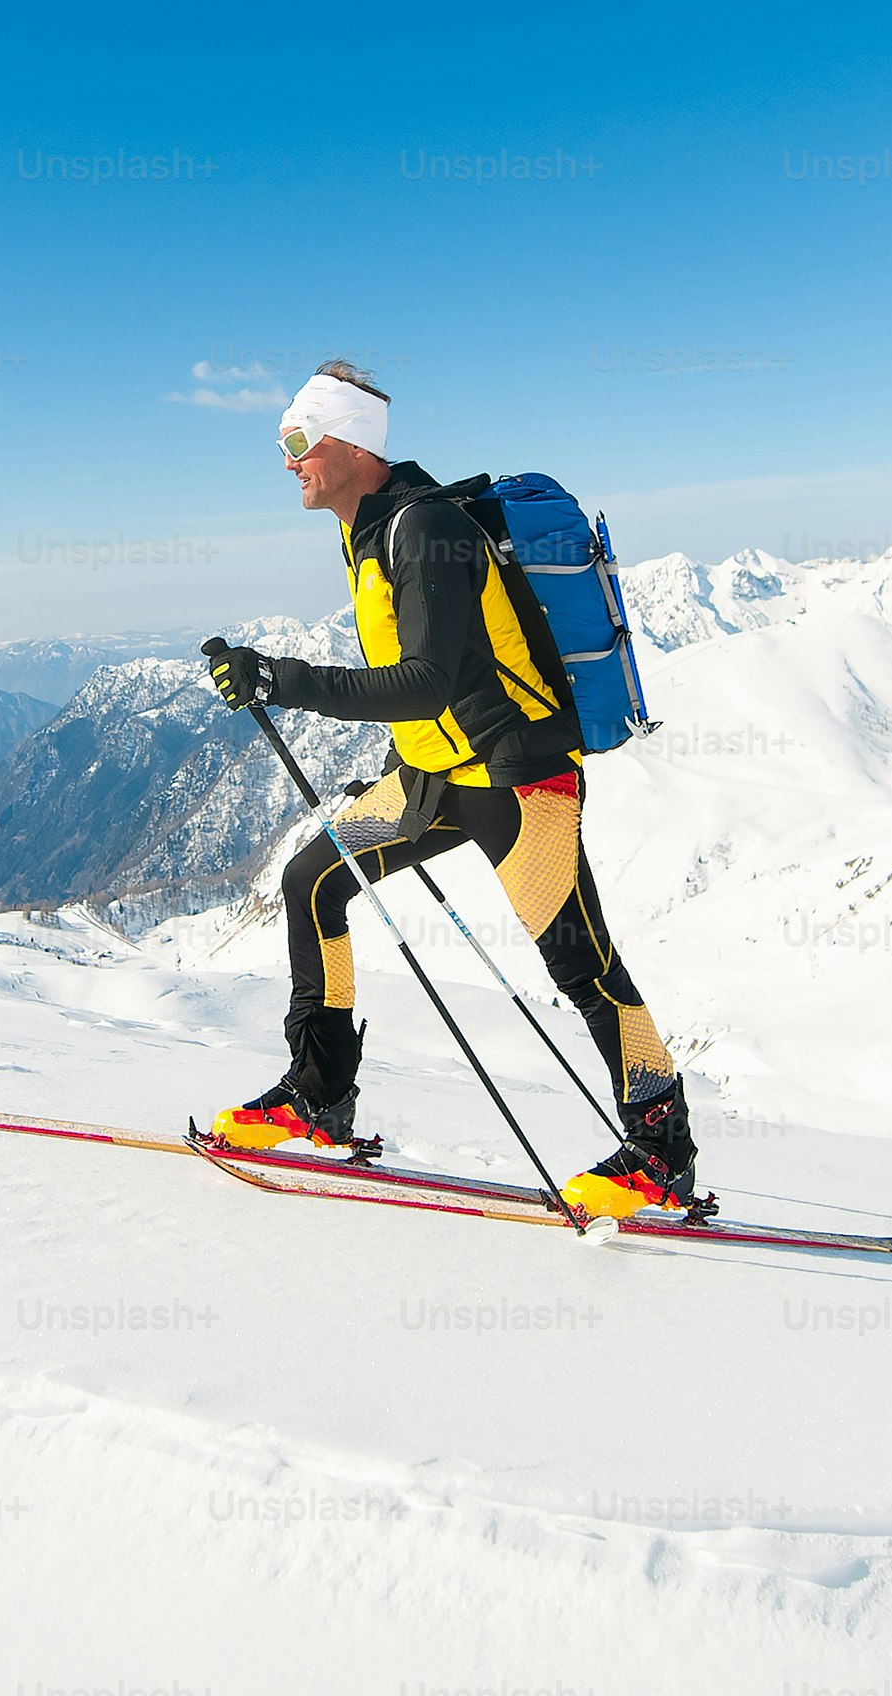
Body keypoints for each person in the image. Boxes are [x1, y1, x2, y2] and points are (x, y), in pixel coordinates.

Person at [200, 361, 695, 1219]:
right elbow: (441, 686)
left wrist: (280, 678)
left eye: (295, 439)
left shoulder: (424, 528)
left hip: (517, 777)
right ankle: (320, 1093)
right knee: (310, 879)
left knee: (580, 961)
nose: (286, 460)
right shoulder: (369, 528)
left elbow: (425, 680)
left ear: (348, 442)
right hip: (434, 776)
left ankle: (660, 1146)